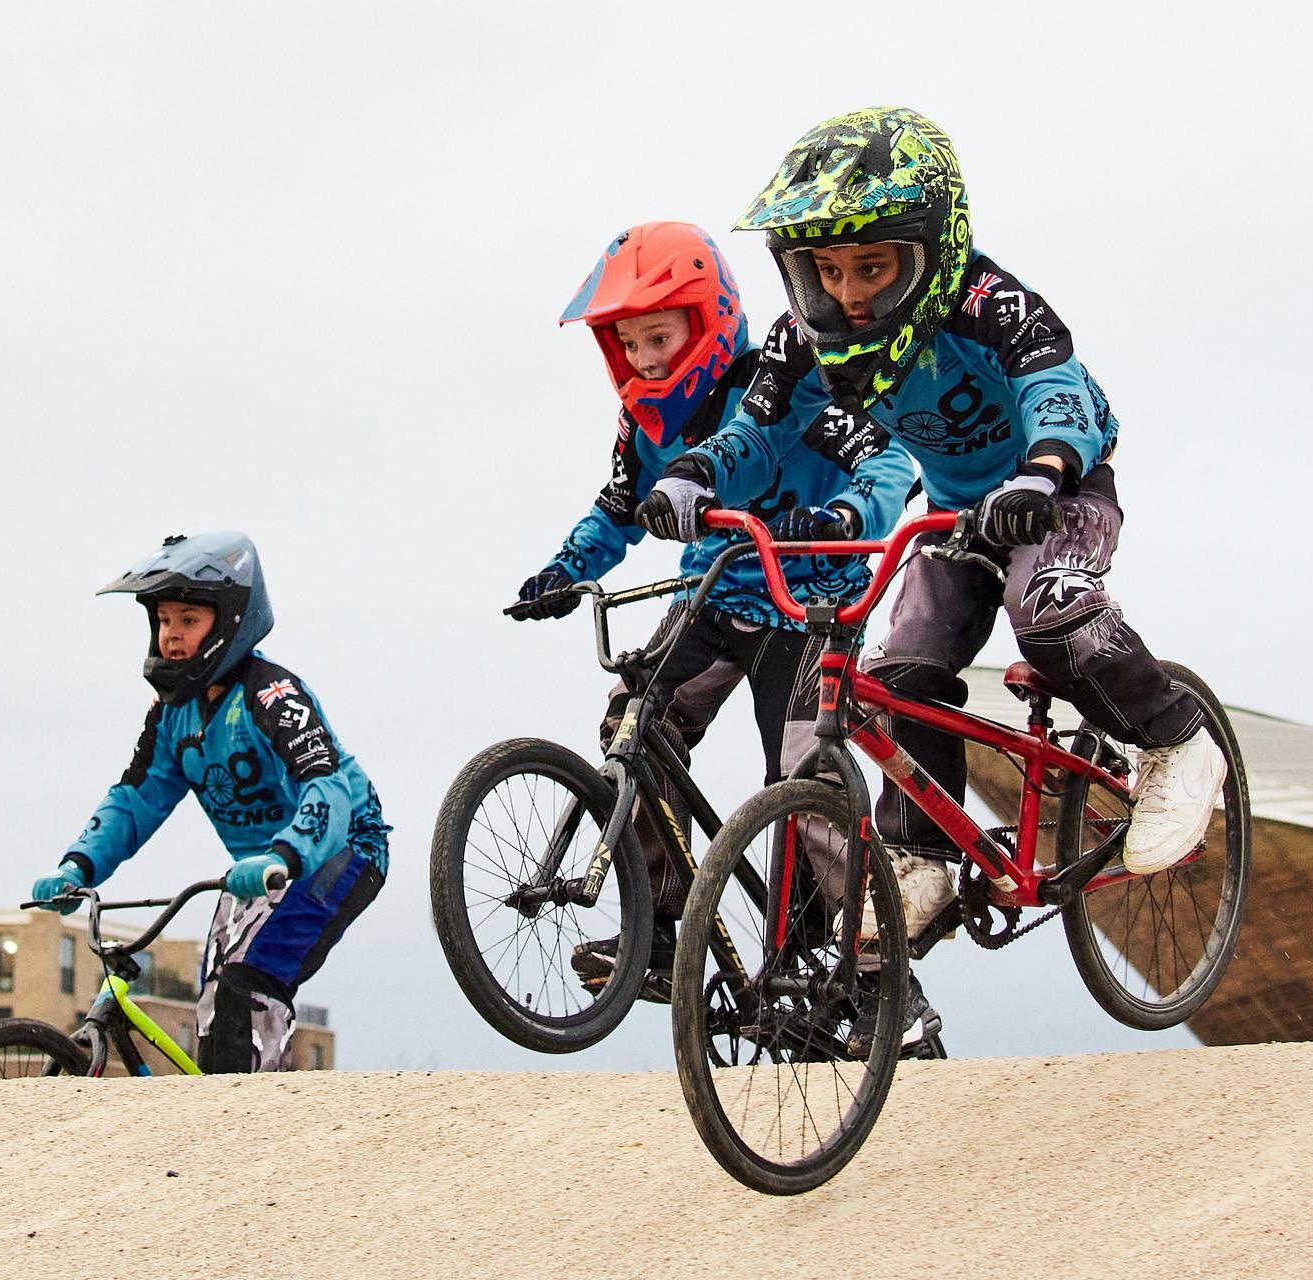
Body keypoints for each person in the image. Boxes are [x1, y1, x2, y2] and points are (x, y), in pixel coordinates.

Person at [643, 106, 1228, 1048]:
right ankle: (918, 856)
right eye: (827, 272)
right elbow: (755, 433)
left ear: (931, 248)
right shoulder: (809, 340)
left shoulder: (988, 305)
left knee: (1052, 614)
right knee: (900, 672)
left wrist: (1042, 471)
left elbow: (1059, 388)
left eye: (872, 267)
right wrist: (693, 475)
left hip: (1056, 486)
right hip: (955, 517)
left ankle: (1176, 739)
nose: (851, 293)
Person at [517, 219, 913, 1002]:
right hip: (715, 593)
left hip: (809, 607)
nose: (645, 359)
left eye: (659, 336)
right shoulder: (647, 422)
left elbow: (886, 459)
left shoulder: (776, 388)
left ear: (708, 321)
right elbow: (619, 509)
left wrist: (844, 519)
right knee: (634, 720)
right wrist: (562, 571)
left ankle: (870, 974)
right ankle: (659, 933)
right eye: (628, 345)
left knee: (806, 775)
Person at [28, 531, 390, 1073]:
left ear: (230, 622)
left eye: (188, 621)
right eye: (163, 621)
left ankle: (259, 1129)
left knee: (250, 984)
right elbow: (136, 797)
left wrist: (284, 857)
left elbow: (328, 786)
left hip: (341, 849)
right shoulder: (173, 715)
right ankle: (211, 1131)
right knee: (213, 1008)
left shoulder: (273, 695)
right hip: (258, 867)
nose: (171, 636)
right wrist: (76, 865)